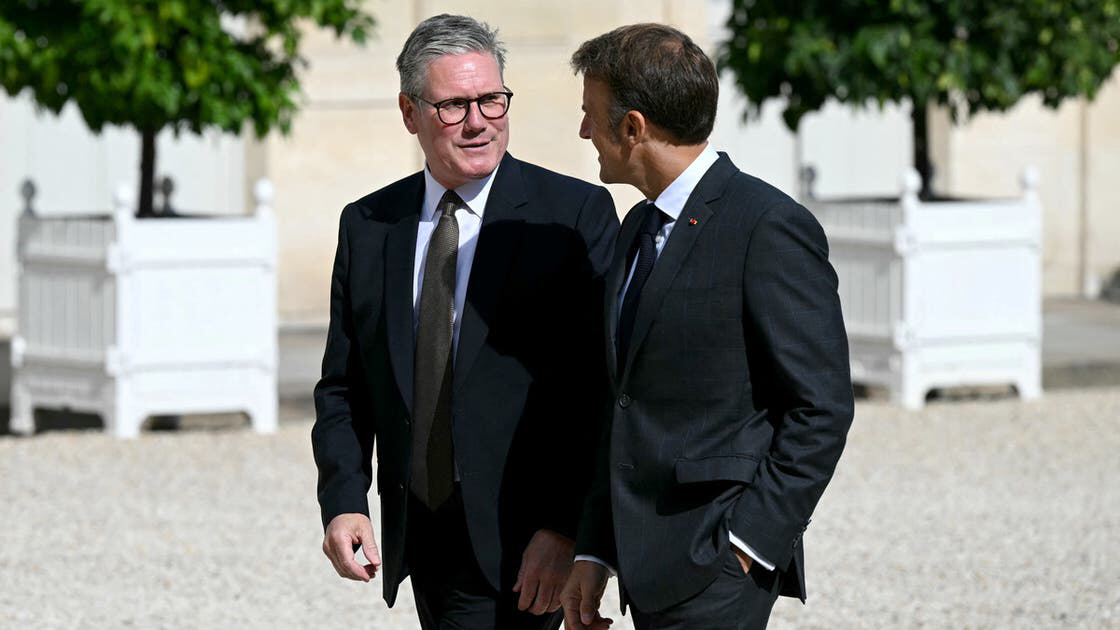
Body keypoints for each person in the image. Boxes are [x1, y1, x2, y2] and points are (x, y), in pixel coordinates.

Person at [311, 14, 618, 630]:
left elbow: (596, 392)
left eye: (491, 100)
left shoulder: (570, 216)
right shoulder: (369, 224)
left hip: (526, 544)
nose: (478, 121)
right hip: (420, 535)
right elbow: (344, 385)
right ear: (410, 112)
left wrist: (566, 529)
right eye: (454, 106)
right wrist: (344, 500)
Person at [560, 23, 855, 629]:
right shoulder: (636, 227)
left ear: (633, 127)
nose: (584, 131)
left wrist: (747, 546)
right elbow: (623, 401)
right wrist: (595, 549)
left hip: (717, 568)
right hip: (643, 562)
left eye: (590, 113)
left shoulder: (767, 225)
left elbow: (822, 407)